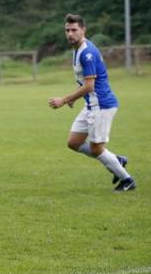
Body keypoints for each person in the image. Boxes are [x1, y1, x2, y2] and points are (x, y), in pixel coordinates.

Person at [48, 14, 136, 192]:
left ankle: (127, 180)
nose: (70, 34)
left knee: (96, 149)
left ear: (83, 30)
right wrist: (74, 98)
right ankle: (115, 160)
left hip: (102, 105)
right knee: (73, 142)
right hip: (91, 105)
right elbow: (84, 81)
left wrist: (65, 100)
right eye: (67, 30)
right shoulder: (77, 48)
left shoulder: (87, 53)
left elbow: (90, 86)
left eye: (74, 30)